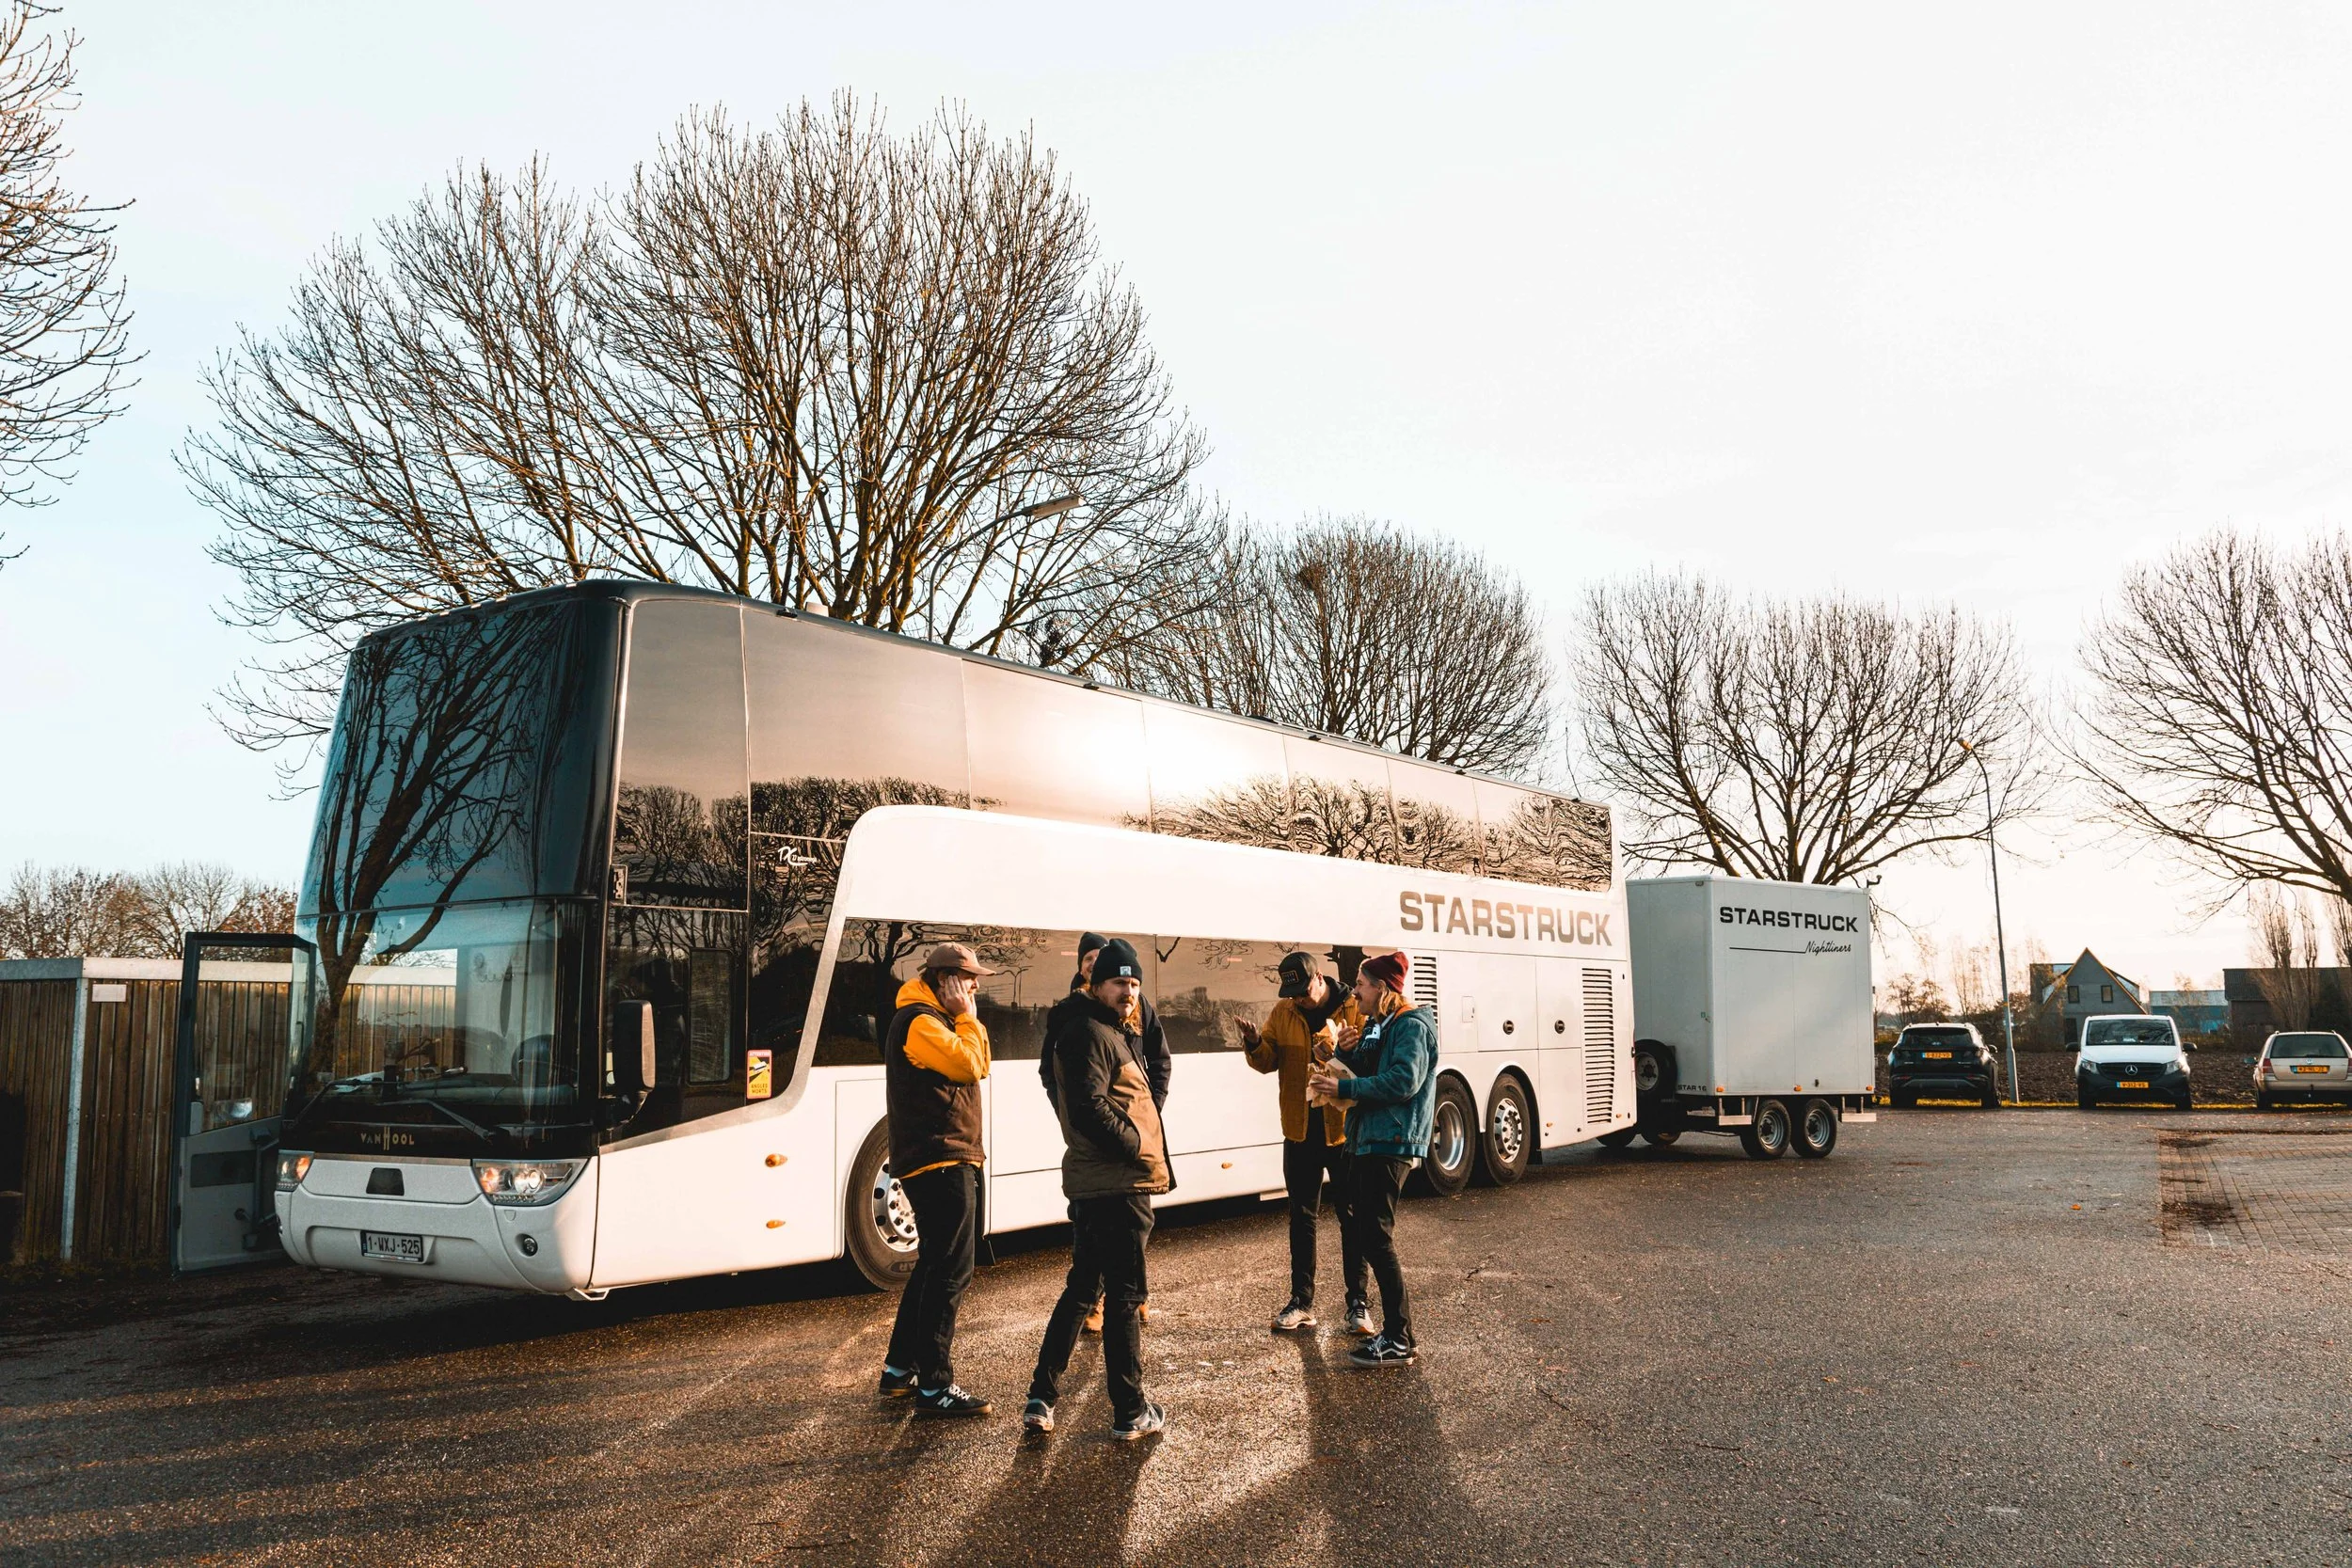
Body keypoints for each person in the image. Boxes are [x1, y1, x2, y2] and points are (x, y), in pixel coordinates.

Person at [1025, 938, 1173, 1439]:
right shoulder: (1091, 1030)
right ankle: (1130, 1410)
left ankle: (1041, 1396)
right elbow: (1089, 1104)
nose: (1128, 991)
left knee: (1082, 1288)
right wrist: (1134, 1141)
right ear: (1096, 984)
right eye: (1119, 982)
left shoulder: (1105, 1028)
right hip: (1118, 1183)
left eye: (1134, 984)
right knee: (1126, 1297)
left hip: (1099, 1180)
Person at [877, 942, 995, 1416]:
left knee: (933, 1266)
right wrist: (966, 1016)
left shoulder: (932, 1019)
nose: (975, 988)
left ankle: (900, 1369)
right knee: (951, 1270)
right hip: (940, 1157)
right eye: (968, 980)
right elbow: (971, 1066)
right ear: (945, 980)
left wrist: (965, 1018)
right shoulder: (922, 1023)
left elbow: (978, 1062)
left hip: (941, 1156)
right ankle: (935, 1386)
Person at [1308, 950, 1437, 1369]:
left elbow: (1403, 1081)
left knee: (1376, 1237)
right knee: (1367, 1234)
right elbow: (1364, 1069)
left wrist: (1344, 1089)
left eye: (1362, 985)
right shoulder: (1379, 1024)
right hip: (1367, 1140)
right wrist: (1346, 1052)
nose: (1356, 992)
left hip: (1391, 1141)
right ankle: (1395, 1334)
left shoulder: (1412, 1027)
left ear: (1382, 989)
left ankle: (1400, 1337)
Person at [1239, 951, 1372, 1335]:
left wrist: (1339, 1054)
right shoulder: (1284, 1012)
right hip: (1299, 1129)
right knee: (1301, 1217)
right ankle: (1302, 1302)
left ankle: (1357, 1304)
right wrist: (1252, 1044)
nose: (1297, 998)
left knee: (1352, 1216)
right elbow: (1268, 1061)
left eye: (1301, 990)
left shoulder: (1352, 1009)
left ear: (1318, 979)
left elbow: (1368, 1064)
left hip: (1343, 1130)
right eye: (1291, 992)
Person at [1041, 931, 1167, 1333]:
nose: (1127, 989)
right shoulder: (1077, 1019)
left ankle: (1126, 1298)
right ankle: (1113, 1309)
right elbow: (1061, 1081)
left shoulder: (1134, 1006)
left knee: (1131, 1230)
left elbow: (1158, 1062)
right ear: (1086, 972)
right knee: (1094, 1261)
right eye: (1090, 960)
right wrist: (1075, 1117)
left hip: (1126, 1141)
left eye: (1133, 983)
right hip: (1106, 1151)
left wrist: (1147, 1113)